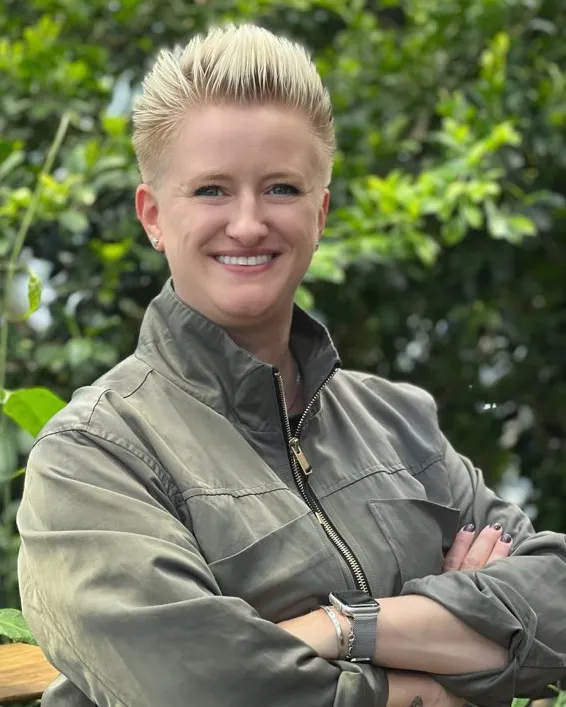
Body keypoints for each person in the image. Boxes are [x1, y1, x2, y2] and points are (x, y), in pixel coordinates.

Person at [17, 23, 566, 707]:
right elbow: (203, 688)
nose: (248, 223)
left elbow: (558, 604)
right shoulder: (96, 456)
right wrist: (435, 686)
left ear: (321, 211)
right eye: (212, 191)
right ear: (153, 215)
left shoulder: (400, 423)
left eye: (280, 188)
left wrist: (343, 627)